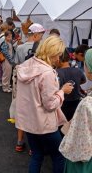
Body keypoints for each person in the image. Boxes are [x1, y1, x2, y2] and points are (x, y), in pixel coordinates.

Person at [15, 35, 74, 172]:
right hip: (44, 124)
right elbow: (50, 105)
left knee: (37, 155)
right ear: (52, 53)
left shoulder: (26, 65)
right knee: (59, 155)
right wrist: (62, 92)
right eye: (58, 55)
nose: (59, 59)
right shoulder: (47, 73)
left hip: (28, 122)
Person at [12, 23, 45, 152]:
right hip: (36, 83)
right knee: (36, 113)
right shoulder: (42, 48)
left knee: (22, 111)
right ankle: (33, 147)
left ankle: (19, 142)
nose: (42, 37)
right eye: (41, 35)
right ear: (36, 35)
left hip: (22, 81)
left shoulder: (20, 48)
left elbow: (17, 64)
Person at [59, 48, 92, 172]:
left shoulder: (87, 104)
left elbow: (79, 142)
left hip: (86, 162)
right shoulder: (77, 72)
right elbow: (83, 80)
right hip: (75, 102)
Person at [56, 48, 86, 121]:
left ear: (58, 60)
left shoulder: (56, 72)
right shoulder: (78, 70)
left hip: (63, 104)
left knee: (62, 126)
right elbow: (84, 80)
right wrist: (76, 83)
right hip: (76, 102)